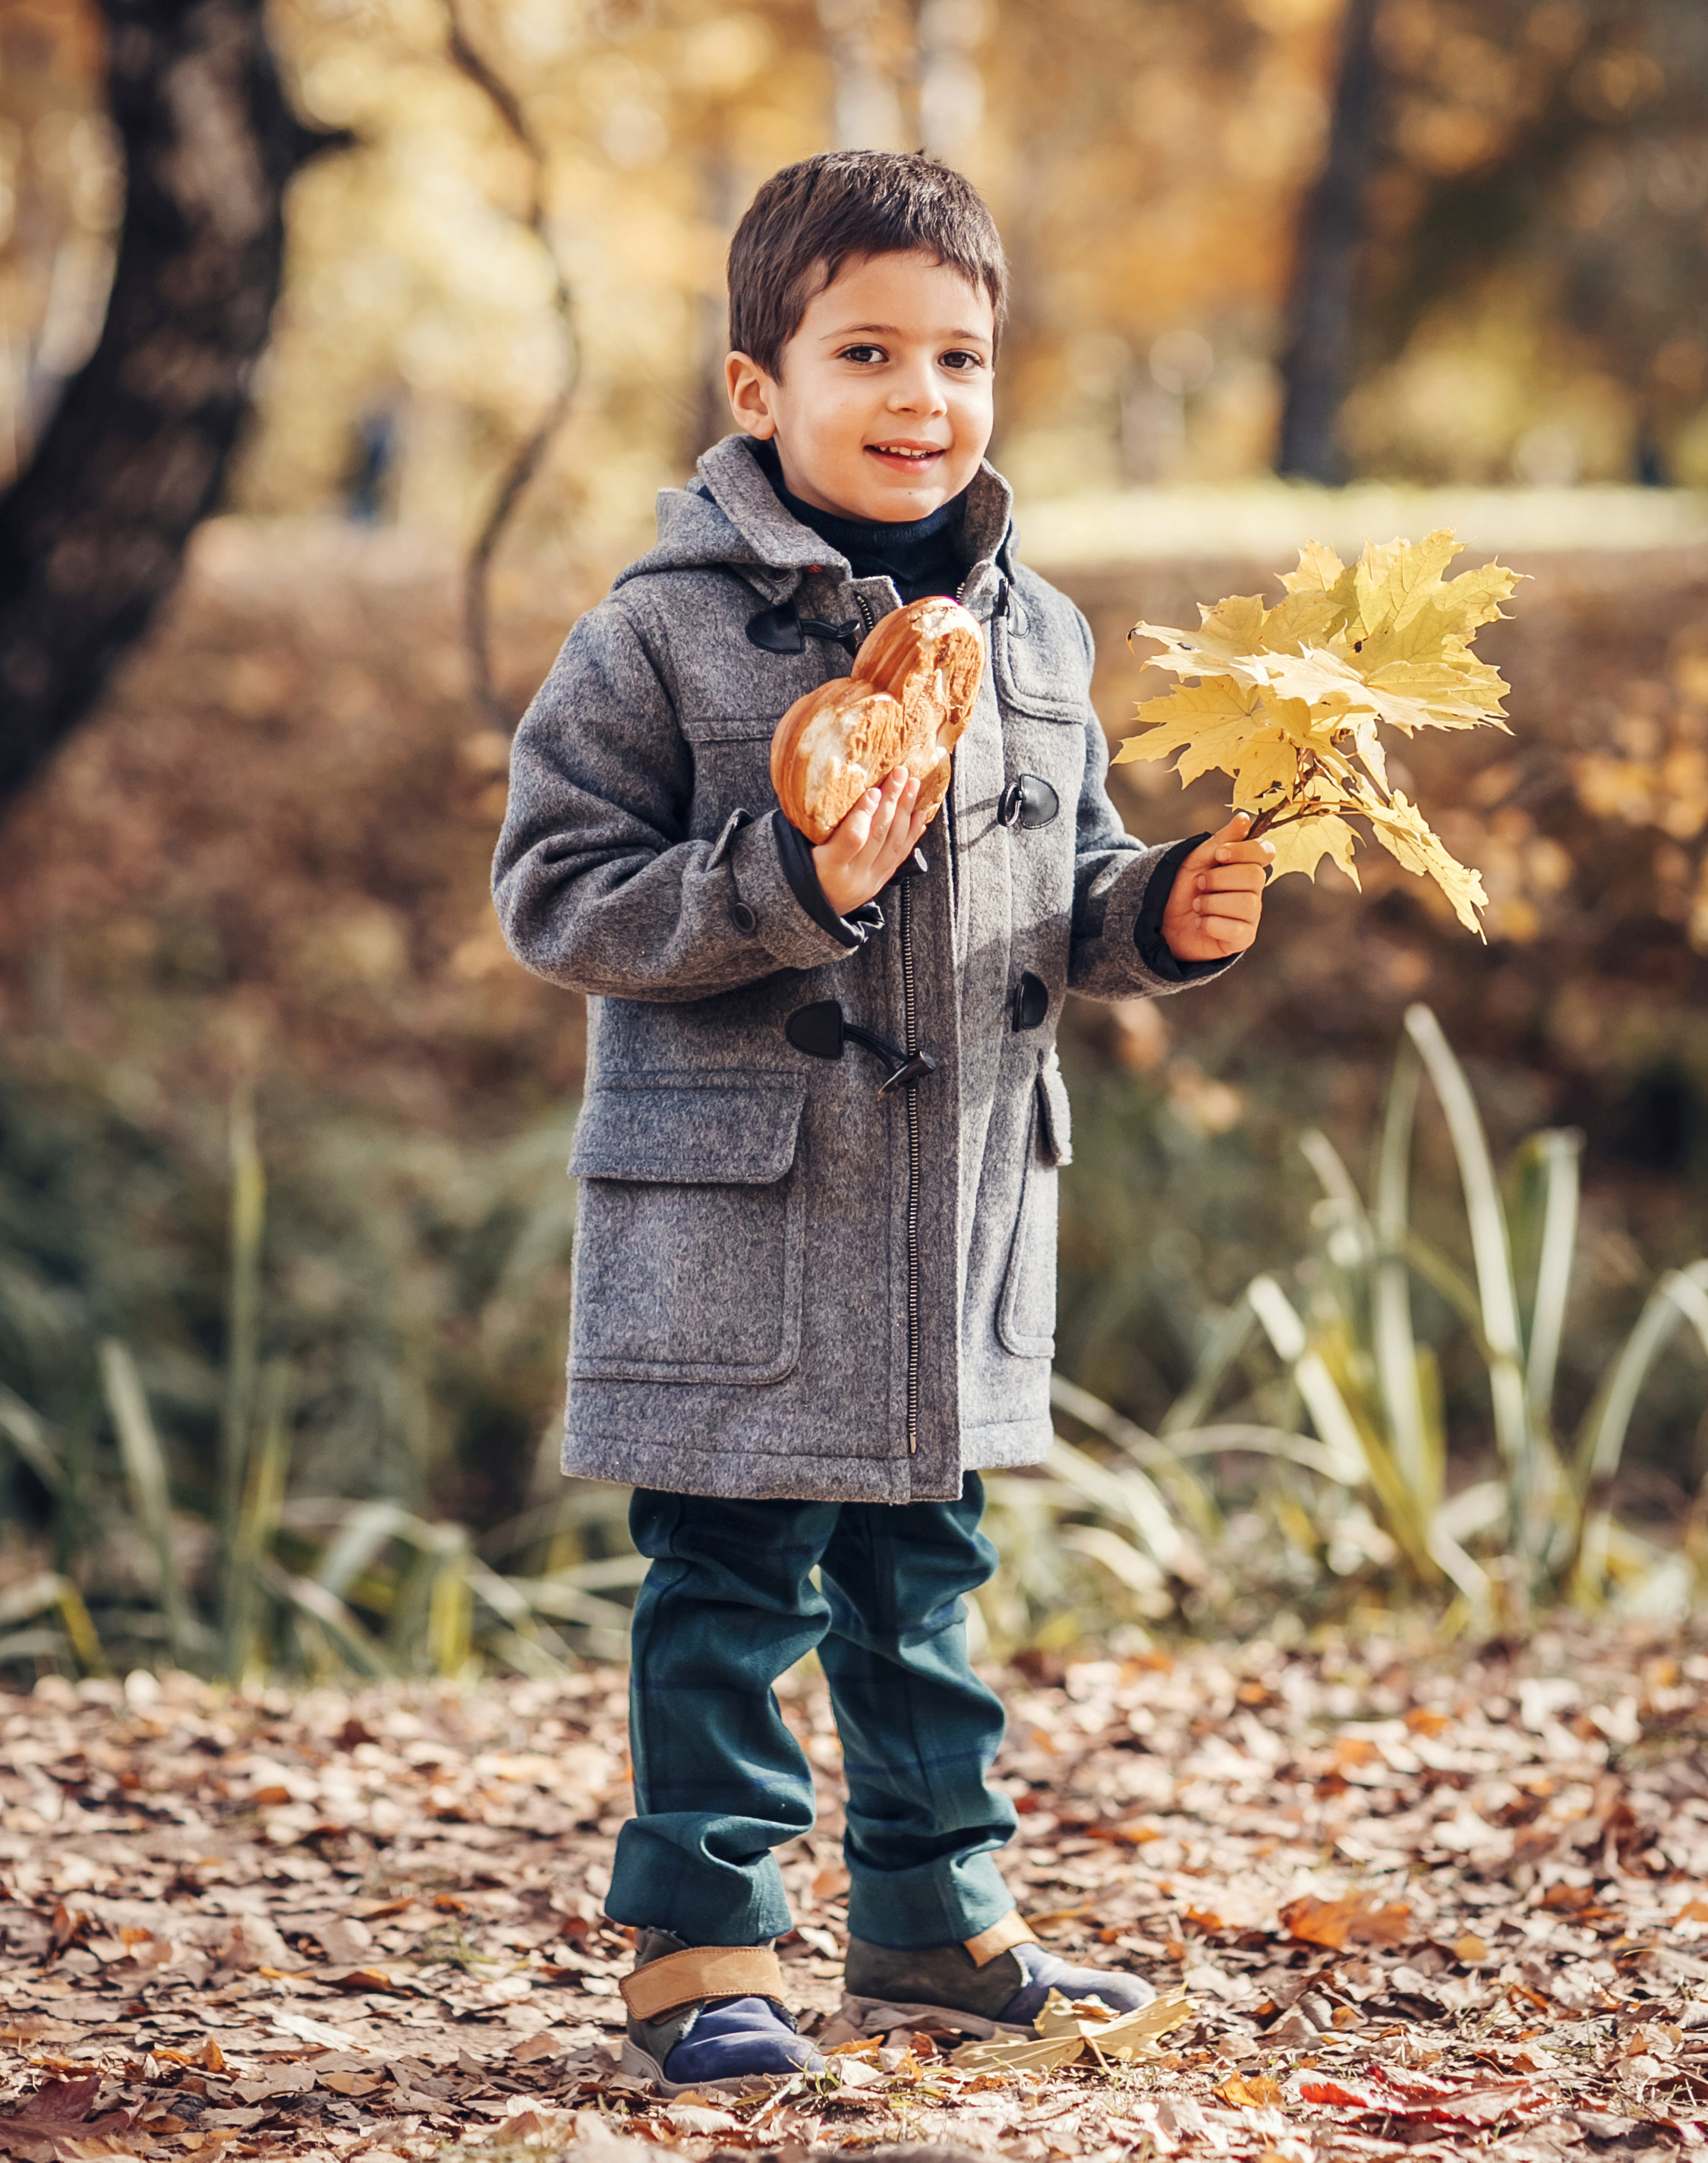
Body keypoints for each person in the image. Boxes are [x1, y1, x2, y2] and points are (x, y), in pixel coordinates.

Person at [492, 150, 1272, 2086]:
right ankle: (702, 1938)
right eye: (866, 352)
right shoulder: (661, 632)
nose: (921, 397)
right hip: (746, 1214)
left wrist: (1152, 915)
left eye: (960, 355)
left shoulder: (1041, 636)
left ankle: (935, 1918)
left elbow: (1067, 884)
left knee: (924, 1590)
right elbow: (557, 894)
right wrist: (787, 881)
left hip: (952, 1215)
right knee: (729, 1593)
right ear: (755, 388)